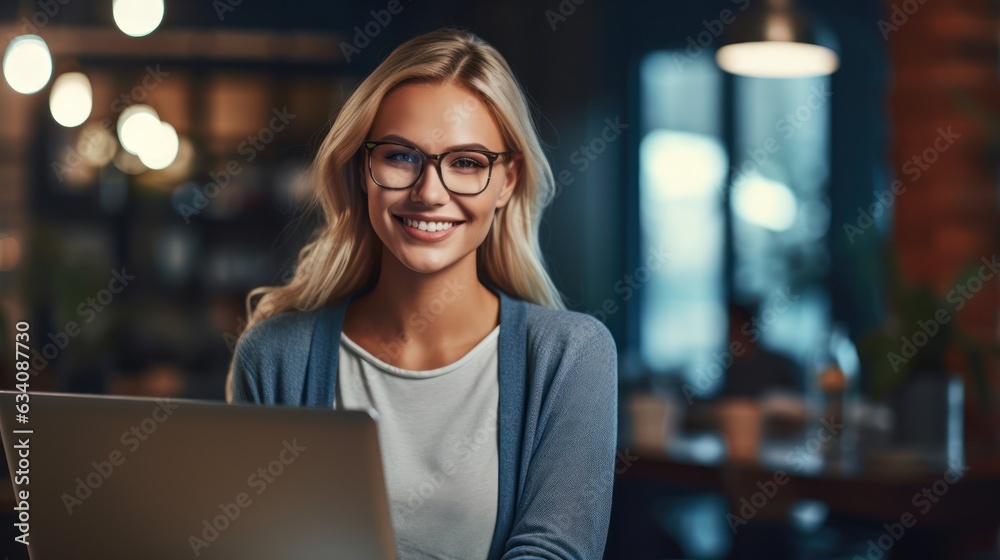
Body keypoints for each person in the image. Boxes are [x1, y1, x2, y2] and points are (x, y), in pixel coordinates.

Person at [226, 28, 618, 560]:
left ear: (507, 181)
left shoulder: (571, 357)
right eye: (401, 156)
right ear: (363, 170)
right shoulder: (276, 356)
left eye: (466, 163)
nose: (430, 193)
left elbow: (555, 551)